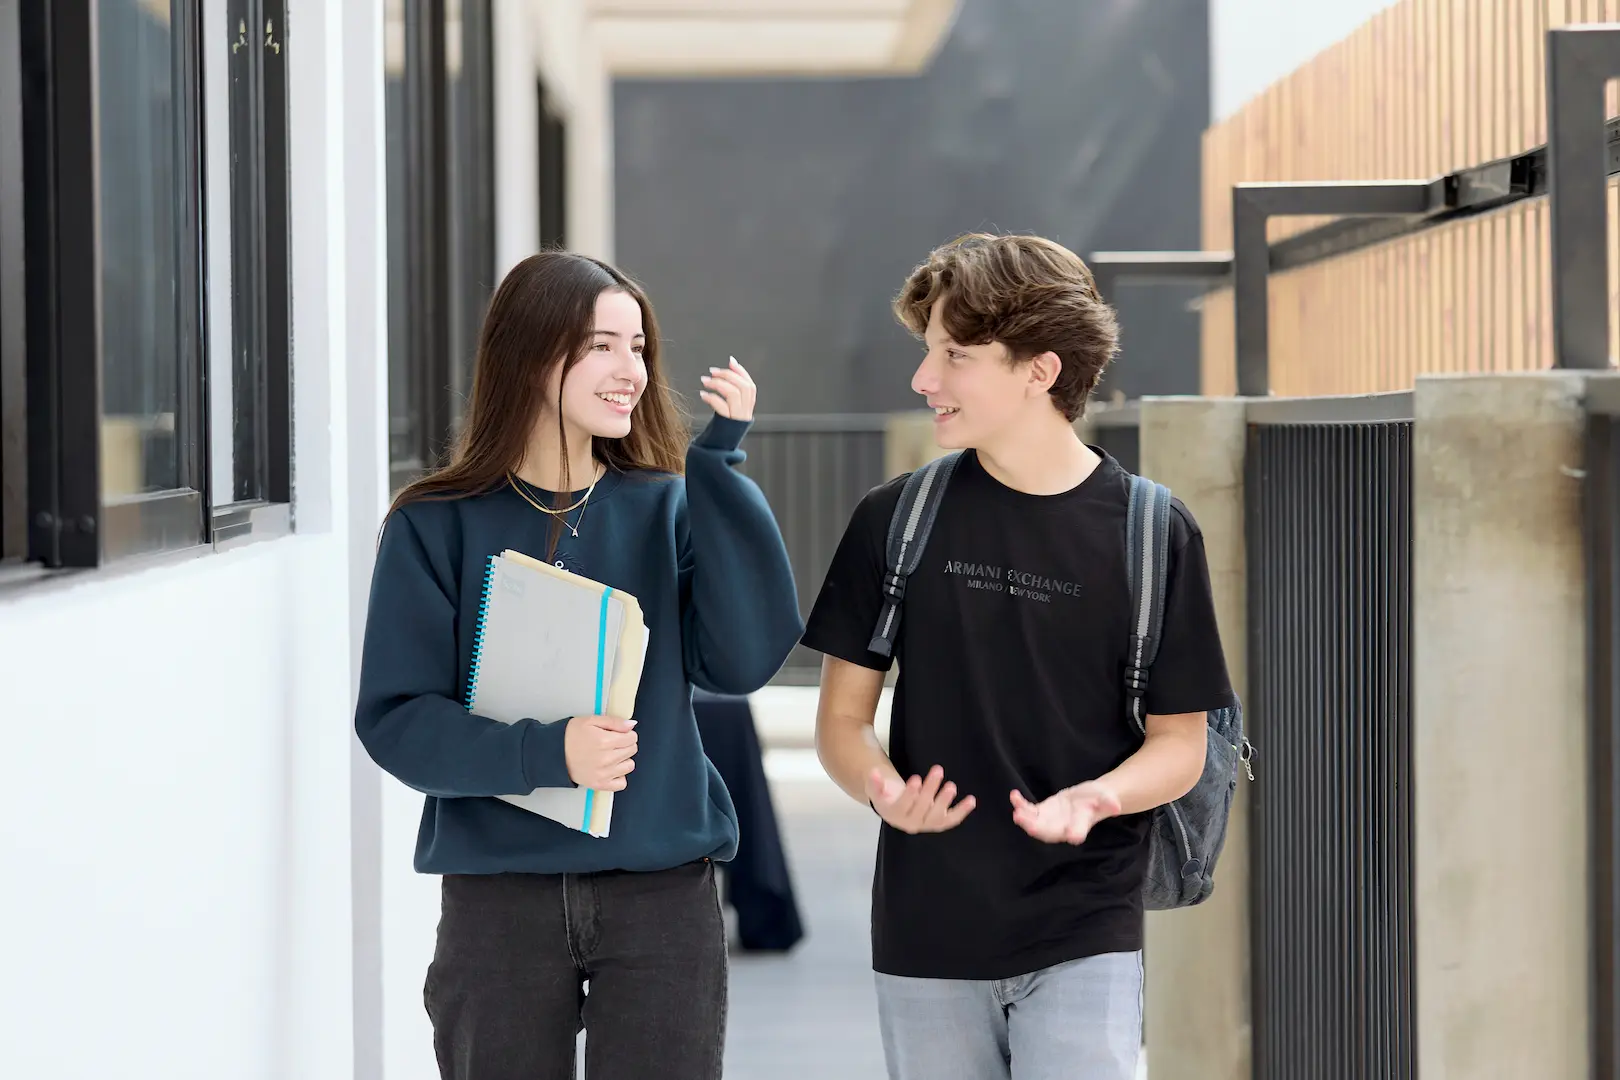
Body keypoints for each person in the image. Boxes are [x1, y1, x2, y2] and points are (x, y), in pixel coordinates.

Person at [354, 251, 803, 1080]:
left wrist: (720, 469)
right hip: (499, 901)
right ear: (531, 354)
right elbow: (396, 720)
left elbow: (743, 660)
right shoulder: (433, 525)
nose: (630, 370)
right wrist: (546, 753)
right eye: (602, 345)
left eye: (638, 348)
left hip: (662, 893)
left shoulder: (666, 505)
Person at [802, 233, 1236, 1080]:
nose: (925, 379)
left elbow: (1182, 743)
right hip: (927, 926)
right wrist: (885, 792)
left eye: (956, 355)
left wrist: (1098, 799)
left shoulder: (1152, 531)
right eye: (929, 351)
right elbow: (842, 722)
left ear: (1040, 371)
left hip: (1087, 921)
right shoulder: (895, 518)